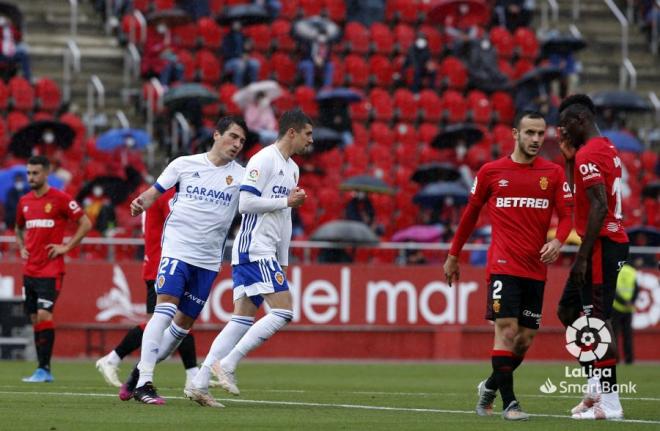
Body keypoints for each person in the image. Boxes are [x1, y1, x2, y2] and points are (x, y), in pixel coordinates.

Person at [443, 111, 573, 420]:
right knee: (506, 330)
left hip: (535, 267)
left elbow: (568, 216)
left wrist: (558, 242)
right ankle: (510, 403)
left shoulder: (553, 173)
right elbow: (470, 215)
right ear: (515, 134)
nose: (536, 140)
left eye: (541, 134)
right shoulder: (491, 171)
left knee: (524, 340)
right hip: (502, 264)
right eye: (529, 133)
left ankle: (489, 386)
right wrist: (453, 254)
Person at [184, 109, 313, 407]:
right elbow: (246, 203)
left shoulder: (292, 168)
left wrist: (284, 261)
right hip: (254, 247)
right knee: (283, 312)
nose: (311, 140)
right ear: (291, 132)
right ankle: (227, 364)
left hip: (266, 250)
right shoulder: (263, 159)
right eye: (307, 134)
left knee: (241, 319)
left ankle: (200, 383)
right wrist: (285, 200)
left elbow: (286, 217)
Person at [118, 116, 247, 405]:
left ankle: (138, 374)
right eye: (233, 137)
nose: (237, 144)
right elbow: (153, 194)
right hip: (177, 250)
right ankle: (145, 384)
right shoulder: (183, 164)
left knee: (180, 329)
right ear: (216, 135)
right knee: (163, 311)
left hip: (209, 261)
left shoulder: (241, 176)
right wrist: (141, 202)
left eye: (241, 141)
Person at [95, 187, 216, 389]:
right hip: (164, 265)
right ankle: (113, 358)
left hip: (173, 264)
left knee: (180, 320)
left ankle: (191, 374)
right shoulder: (167, 194)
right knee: (161, 322)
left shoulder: (159, 194)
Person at [555, 94, 630, 420]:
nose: (562, 132)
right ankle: (595, 384)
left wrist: (582, 258)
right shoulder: (604, 147)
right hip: (602, 241)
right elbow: (586, 200)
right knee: (568, 310)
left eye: (565, 125)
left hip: (601, 244)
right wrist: (570, 161)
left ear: (579, 120)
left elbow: (598, 206)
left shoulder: (590, 152)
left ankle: (611, 403)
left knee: (599, 322)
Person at [15, 156, 92, 382]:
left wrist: (66, 246)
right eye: (29, 173)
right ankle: (41, 369)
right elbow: (18, 227)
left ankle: (44, 369)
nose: (31, 177)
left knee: (43, 314)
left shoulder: (60, 199)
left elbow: (85, 223)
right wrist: (21, 247)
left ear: (46, 173)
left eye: (35, 173)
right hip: (29, 270)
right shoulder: (24, 201)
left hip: (50, 270)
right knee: (34, 318)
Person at [611, 262, 638, 364]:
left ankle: (615, 359)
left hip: (616, 307)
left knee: (614, 335)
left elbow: (614, 289)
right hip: (629, 309)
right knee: (627, 335)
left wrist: (623, 302)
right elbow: (636, 289)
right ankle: (629, 359)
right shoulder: (632, 271)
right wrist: (631, 302)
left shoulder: (616, 271)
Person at [222, 21, 260, 87]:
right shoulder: (227, 37)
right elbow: (226, 53)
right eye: (235, 23)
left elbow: (246, 51)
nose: (237, 25)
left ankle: (254, 86)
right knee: (240, 65)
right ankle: (237, 86)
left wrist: (248, 49)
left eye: (238, 24)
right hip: (230, 61)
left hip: (243, 60)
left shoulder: (244, 37)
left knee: (255, 64)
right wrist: (240, 56)